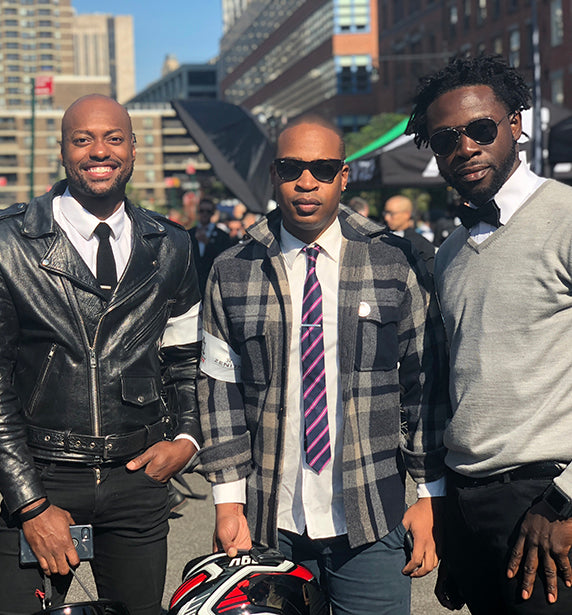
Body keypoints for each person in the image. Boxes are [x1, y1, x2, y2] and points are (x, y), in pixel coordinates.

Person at [0, 94, 202, 615]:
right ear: (63, 150)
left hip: (138, 477)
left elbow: (187, 357)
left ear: (133, 148)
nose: (99, 151)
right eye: (82, 139)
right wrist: (29, 501)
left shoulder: (172, 245)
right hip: (45, 474)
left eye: (114, 138)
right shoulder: (4, 243)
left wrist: (186, 438)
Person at [198, 115, 448, 614]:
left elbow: (424, 382)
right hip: (269, 517)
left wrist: (428, 495)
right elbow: (218, 387)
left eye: (323, 168)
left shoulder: (391, 261)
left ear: (344, 175)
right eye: (292, 168)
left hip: (372, 512)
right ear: (274, 174)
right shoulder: (232, 269)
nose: (306, 182)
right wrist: (228, 501)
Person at [406, 54, 572, 613]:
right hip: (468, 501)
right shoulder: (451, 252)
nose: (465, 147)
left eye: (481, 129)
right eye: (445, 138)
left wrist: (567, 502)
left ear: (515, 125)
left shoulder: (567, 218)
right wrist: (450, 516)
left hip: (548, 500)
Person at [188, 198, 235, 295]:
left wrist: (208, 244)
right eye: (202, 211)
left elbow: (225, 257)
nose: (205, 214)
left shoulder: (222, 235)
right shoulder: (190, 234)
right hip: (194, 285)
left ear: (213, 213)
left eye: (208, 211)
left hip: (213, 282)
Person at [382, 195, 436, 274]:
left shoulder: (422, 245)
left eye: (391, 213)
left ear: (407, 214)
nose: (386, 218)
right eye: (385, 213)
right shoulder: (380, 237)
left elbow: (428, 277)